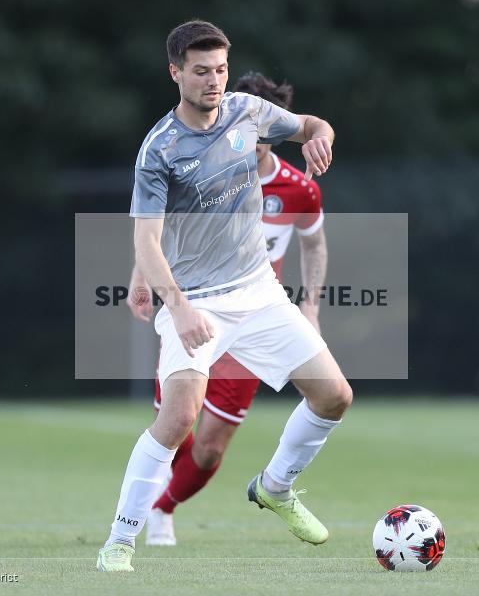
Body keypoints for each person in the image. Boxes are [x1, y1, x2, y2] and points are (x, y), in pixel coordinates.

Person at [97, 20, 352, 573]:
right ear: (175, 73)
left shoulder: (247, 111)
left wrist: (320, 135)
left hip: (259, 293)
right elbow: (145, 237)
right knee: (179, 419)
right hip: (194, 299)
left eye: (220, 70)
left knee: (334, 397)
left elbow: (310, 122)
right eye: (201, 71)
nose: (214, 81)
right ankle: (119, 541)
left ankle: (276, 487)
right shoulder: (160, 149)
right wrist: (180, 307)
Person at [126, 71, 329, 547]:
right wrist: (140, 273)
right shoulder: (199, 163)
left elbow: (315, 247)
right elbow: (156, 227)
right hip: (196, 308)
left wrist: (311, 305)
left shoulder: (299, 189)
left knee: (212, 444)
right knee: (177, 426)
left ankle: (163, 509)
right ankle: (129, 524)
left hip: (255, 316)